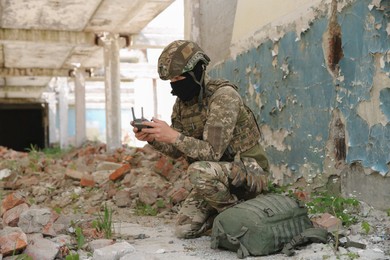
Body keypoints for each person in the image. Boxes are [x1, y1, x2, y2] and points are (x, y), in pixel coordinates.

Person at [133, 40, 269, 239]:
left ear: (197, 72)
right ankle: (229, 213)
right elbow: (177, 150)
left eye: (179, 77)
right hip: (217, 177)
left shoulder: (223, 97)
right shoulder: (182, 105)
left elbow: (213, 152)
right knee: (184, 229)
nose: (175, 84)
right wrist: (154, 138)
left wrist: (174, 135)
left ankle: (240, 216)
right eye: (171, 80)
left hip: (248, 172)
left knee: (197, 170)